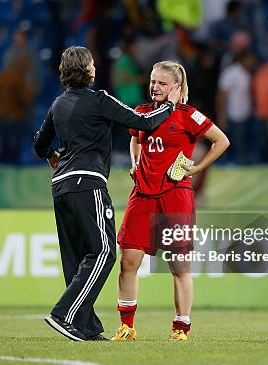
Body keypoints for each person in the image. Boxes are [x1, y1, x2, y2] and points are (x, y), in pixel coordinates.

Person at [33, 46, 181, 342]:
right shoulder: (99, 100)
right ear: (89, 71)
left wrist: (52, 155)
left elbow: (39, 143)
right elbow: (145, 123)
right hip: (88, 182)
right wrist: (169, 106)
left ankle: (84, 327)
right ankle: (64, 313)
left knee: (77, 258)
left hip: (61, 185)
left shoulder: (58, 104)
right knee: (103, 251)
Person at [113, 61, 229, 341]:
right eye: (153, 81)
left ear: (177, 87)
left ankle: (181, 328)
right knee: (128, 261)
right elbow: (135, 139)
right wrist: (135, 161)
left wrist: (198, 168)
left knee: (179, 266)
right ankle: (127, 327)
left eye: (162, 83)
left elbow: (222, 141)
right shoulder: (141, 112)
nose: (155, 87)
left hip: (175, 196)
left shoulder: (188, 116)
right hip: (142, 194)